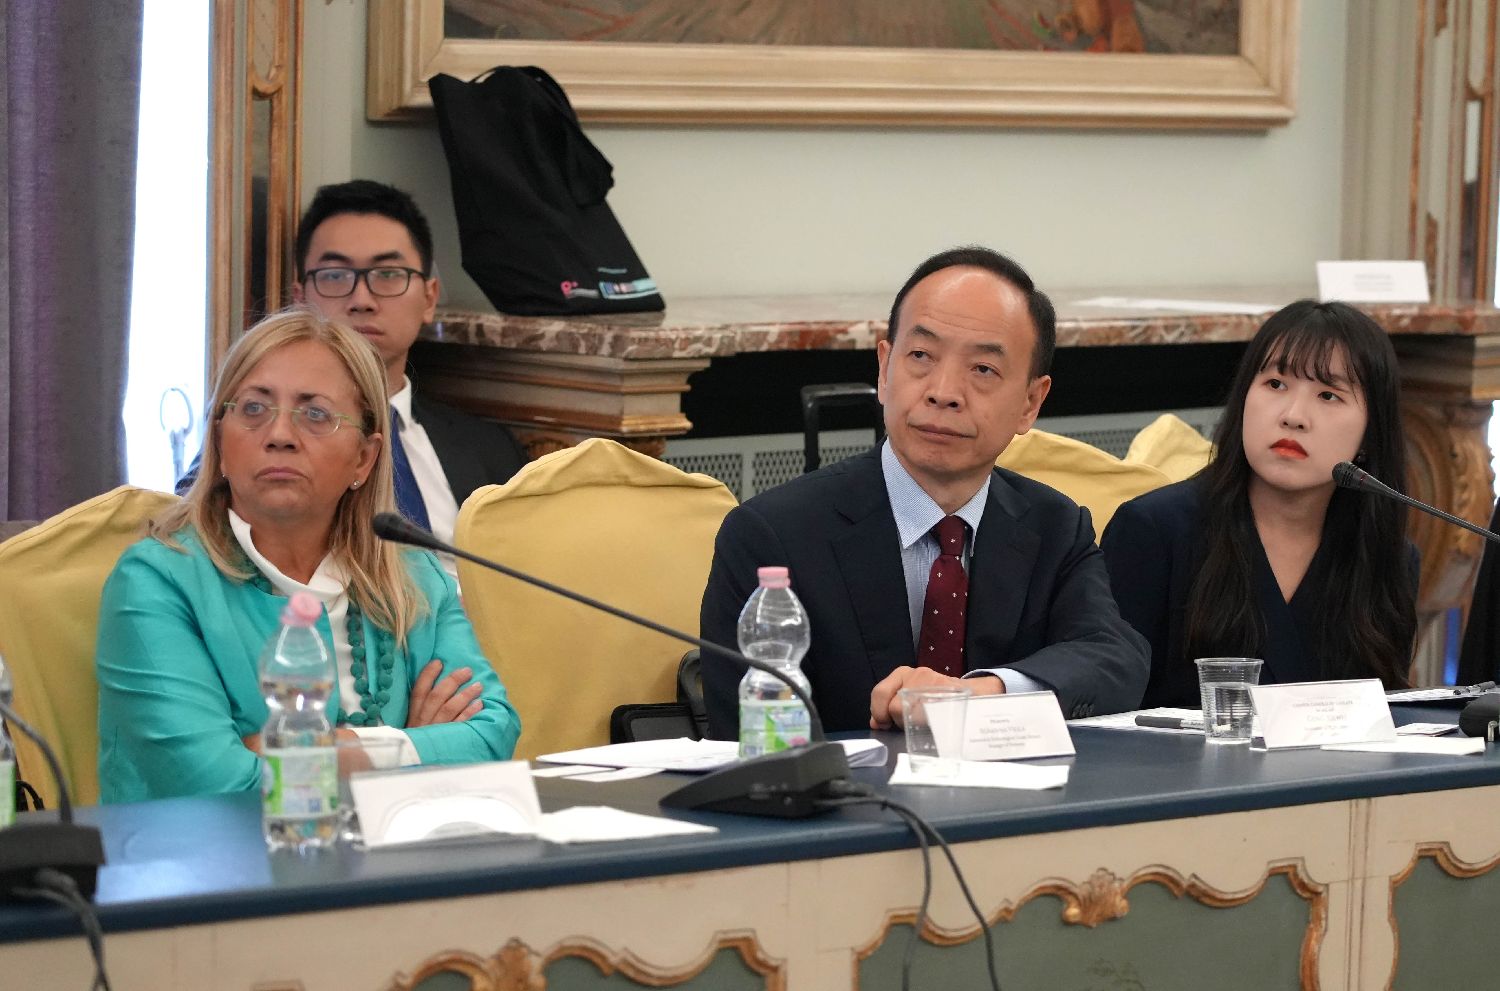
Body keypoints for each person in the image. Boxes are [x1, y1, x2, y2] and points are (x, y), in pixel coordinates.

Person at [699, 246, 1150, 737]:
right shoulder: (772, 536)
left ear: (1030, 402)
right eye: (921, 356)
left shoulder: (1055, 527)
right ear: (884, 369)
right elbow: (747, 736)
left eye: (983, 369)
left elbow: (1114, 657)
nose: (943, 392)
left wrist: (978, 696)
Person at [98, 309, 521, 803]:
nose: (279, 434)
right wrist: (411, 745)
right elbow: (221, 786)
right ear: (220, 441)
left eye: (315, 414)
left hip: (397, 847)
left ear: (363, 458)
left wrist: (310, 751)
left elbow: (492, 737)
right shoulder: (157, 583)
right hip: (216, 851)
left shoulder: (413, 575)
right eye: (253, 409)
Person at [179, 180, 528, 559]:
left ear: (429, 298)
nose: (362, 300)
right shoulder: (249, 450)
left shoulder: (490, 449)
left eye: (388, 274)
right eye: (334, 276)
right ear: (300, 299)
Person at [1101, 300, 1417, 708]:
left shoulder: (1389, 557)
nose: (1293, 416)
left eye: (1328, 395)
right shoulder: (1154, 531)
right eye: (1276, 384)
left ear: (1370, 435)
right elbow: (1106, 710)